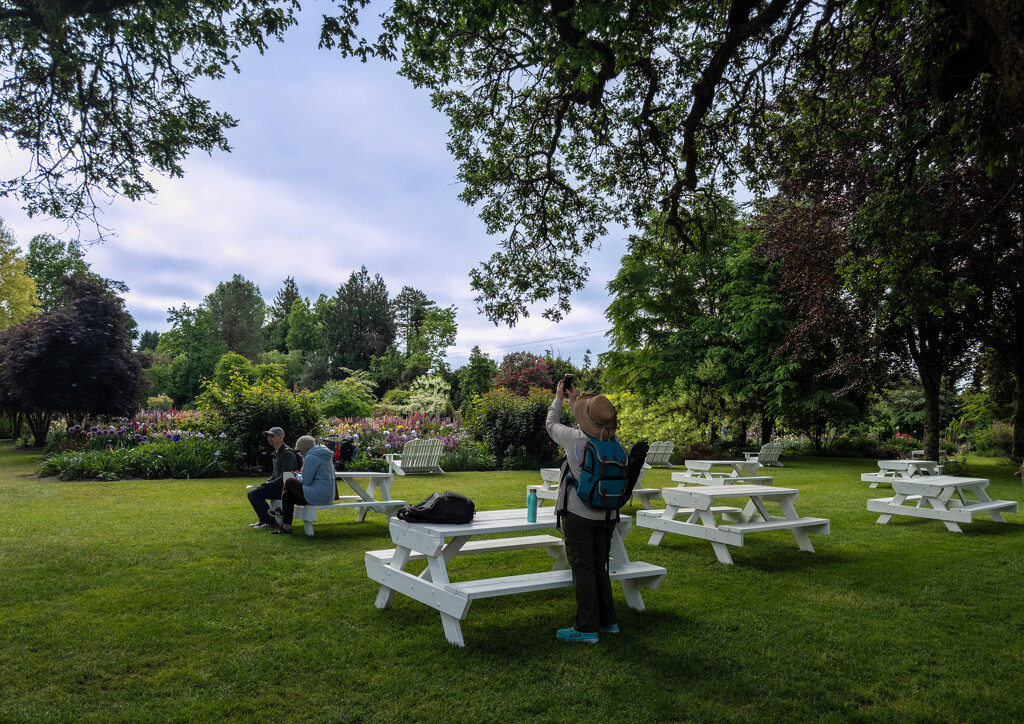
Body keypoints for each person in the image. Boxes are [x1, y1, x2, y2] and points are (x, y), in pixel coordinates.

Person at [546, 379, 622, 644]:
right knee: (600, 566)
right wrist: (574, 403)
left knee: (583, 568)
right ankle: (609, 621)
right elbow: (593, 429)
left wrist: (559, 399)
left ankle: (587, 628)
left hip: (579, 514)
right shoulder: (615, 440)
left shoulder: (575, 439)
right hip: (608, 514)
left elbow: (551, 425)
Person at [271, 436, 336, 535]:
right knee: (288, 495)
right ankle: (286, 528)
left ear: (305, 448)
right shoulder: (323, 454)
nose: (301, 452)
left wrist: (297, 474)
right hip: (327, 495)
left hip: (318, 495)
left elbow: (306, 481)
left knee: (289, 482)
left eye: (301, 449)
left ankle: (281, 510)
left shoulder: (311, 457)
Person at [247, 427, 299, 530]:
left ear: (281, 437)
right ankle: (263, 520)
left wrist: (267, 485)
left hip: (286, 489)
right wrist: (265, 483)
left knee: (254, 495)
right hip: (279, 486)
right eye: (268, 436)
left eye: (272, 436)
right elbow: (275, 474)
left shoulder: (287, 453)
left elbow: (285, 475)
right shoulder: (277, 453)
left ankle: (269, 522)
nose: (269, 438)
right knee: (252, 494)